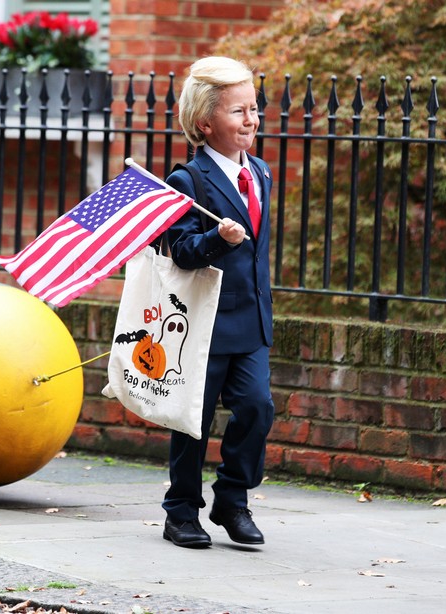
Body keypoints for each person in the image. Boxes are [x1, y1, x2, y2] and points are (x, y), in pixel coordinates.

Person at [161, 56, 275, 549]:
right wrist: (215, 239)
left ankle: (233, 499)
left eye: (254, 109)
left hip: (250, 320)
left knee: (257, 407)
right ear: (206, 123)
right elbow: (181, 252)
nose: (251, 120)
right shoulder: (189, 181)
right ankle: (181, 511)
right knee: (194, 419)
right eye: (238, 111)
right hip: (203, 323)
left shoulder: (263, 173)